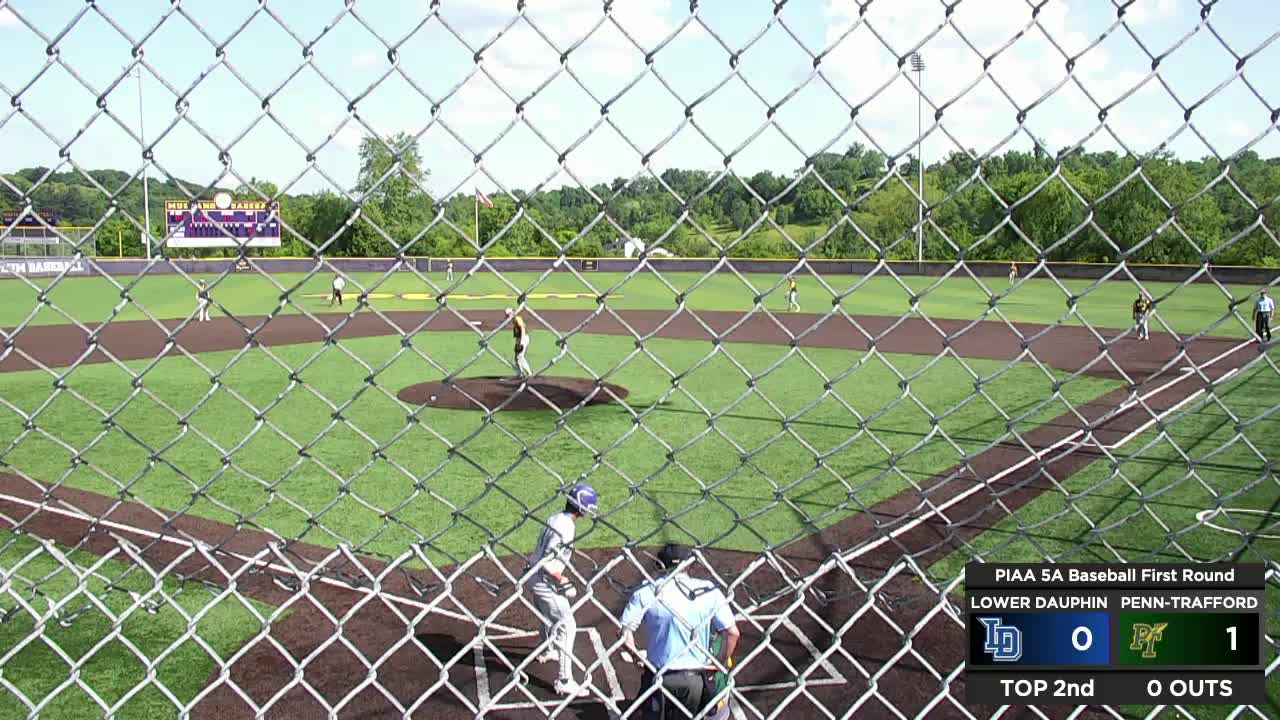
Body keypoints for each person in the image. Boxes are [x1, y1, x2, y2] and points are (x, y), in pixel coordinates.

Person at [620, 544, 740, 720]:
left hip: (659, 676)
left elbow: (624, 633)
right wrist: (717, 664)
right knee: (718, 713)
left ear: (660, 566)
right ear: (689, 565)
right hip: (697, 676)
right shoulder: (708, 590)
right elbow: (732, 633)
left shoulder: (646, 591)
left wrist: (638, 657)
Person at [525, 483, 599, 697]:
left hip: (532, 574)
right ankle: (565, 680)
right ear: (582, 507)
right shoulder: (566, 526)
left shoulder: (556, 517)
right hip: (543, 578)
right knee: (567, 625)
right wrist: (563, 580)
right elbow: (549, 561)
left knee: (547, 615)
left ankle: (548, 649)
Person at [506, 307, 532, 378]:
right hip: (519, 339)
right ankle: (521, 374)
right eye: (507, 314)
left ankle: (528, 373)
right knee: (517, 357)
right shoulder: (514, 319)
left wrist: (521, 342)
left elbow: (523, 328)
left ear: (513, 312)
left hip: (523, 338)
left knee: (520, 357)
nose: (508, 316)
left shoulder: (517, 318)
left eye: (509, 314)